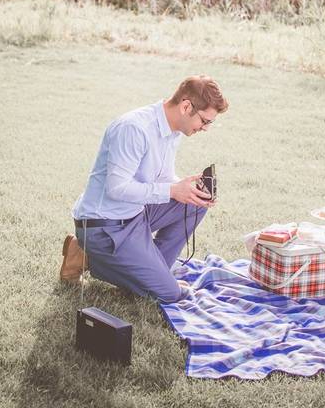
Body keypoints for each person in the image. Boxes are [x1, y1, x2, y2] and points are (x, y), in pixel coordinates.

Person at [58, 75, 229, 303]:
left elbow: (163, 178)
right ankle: (86, 256)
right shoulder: (133, 128)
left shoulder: (173, 131)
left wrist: (185, 188)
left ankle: (151, 272)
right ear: (186, 106)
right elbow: (116, 189)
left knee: (194, 204)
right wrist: (172, 190)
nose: (205, 128)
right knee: (171, 294)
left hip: (135, 214)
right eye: (205, 121)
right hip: (105, 226)